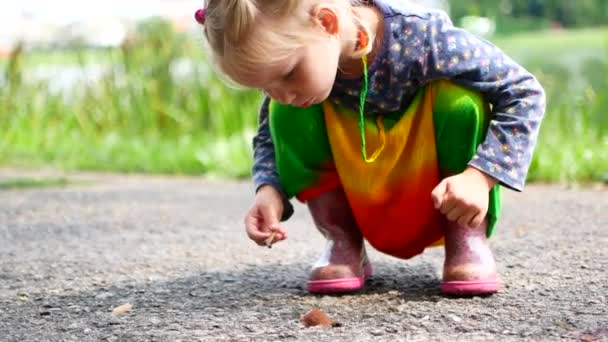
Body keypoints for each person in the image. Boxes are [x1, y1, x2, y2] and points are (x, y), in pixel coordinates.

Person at [194, 0, 546, 296]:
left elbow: (524, 93)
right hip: (359, 188)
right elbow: (270, 134)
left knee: (461, 101)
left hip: (439, 186)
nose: (281, 93)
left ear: (327, 22)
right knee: (285, 114)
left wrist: (481, 177)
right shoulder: (300, 81)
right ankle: (341, 241)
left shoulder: (423, 40)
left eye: (287, 74)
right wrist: (270, 189)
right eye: (266, 86)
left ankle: (467, 239)